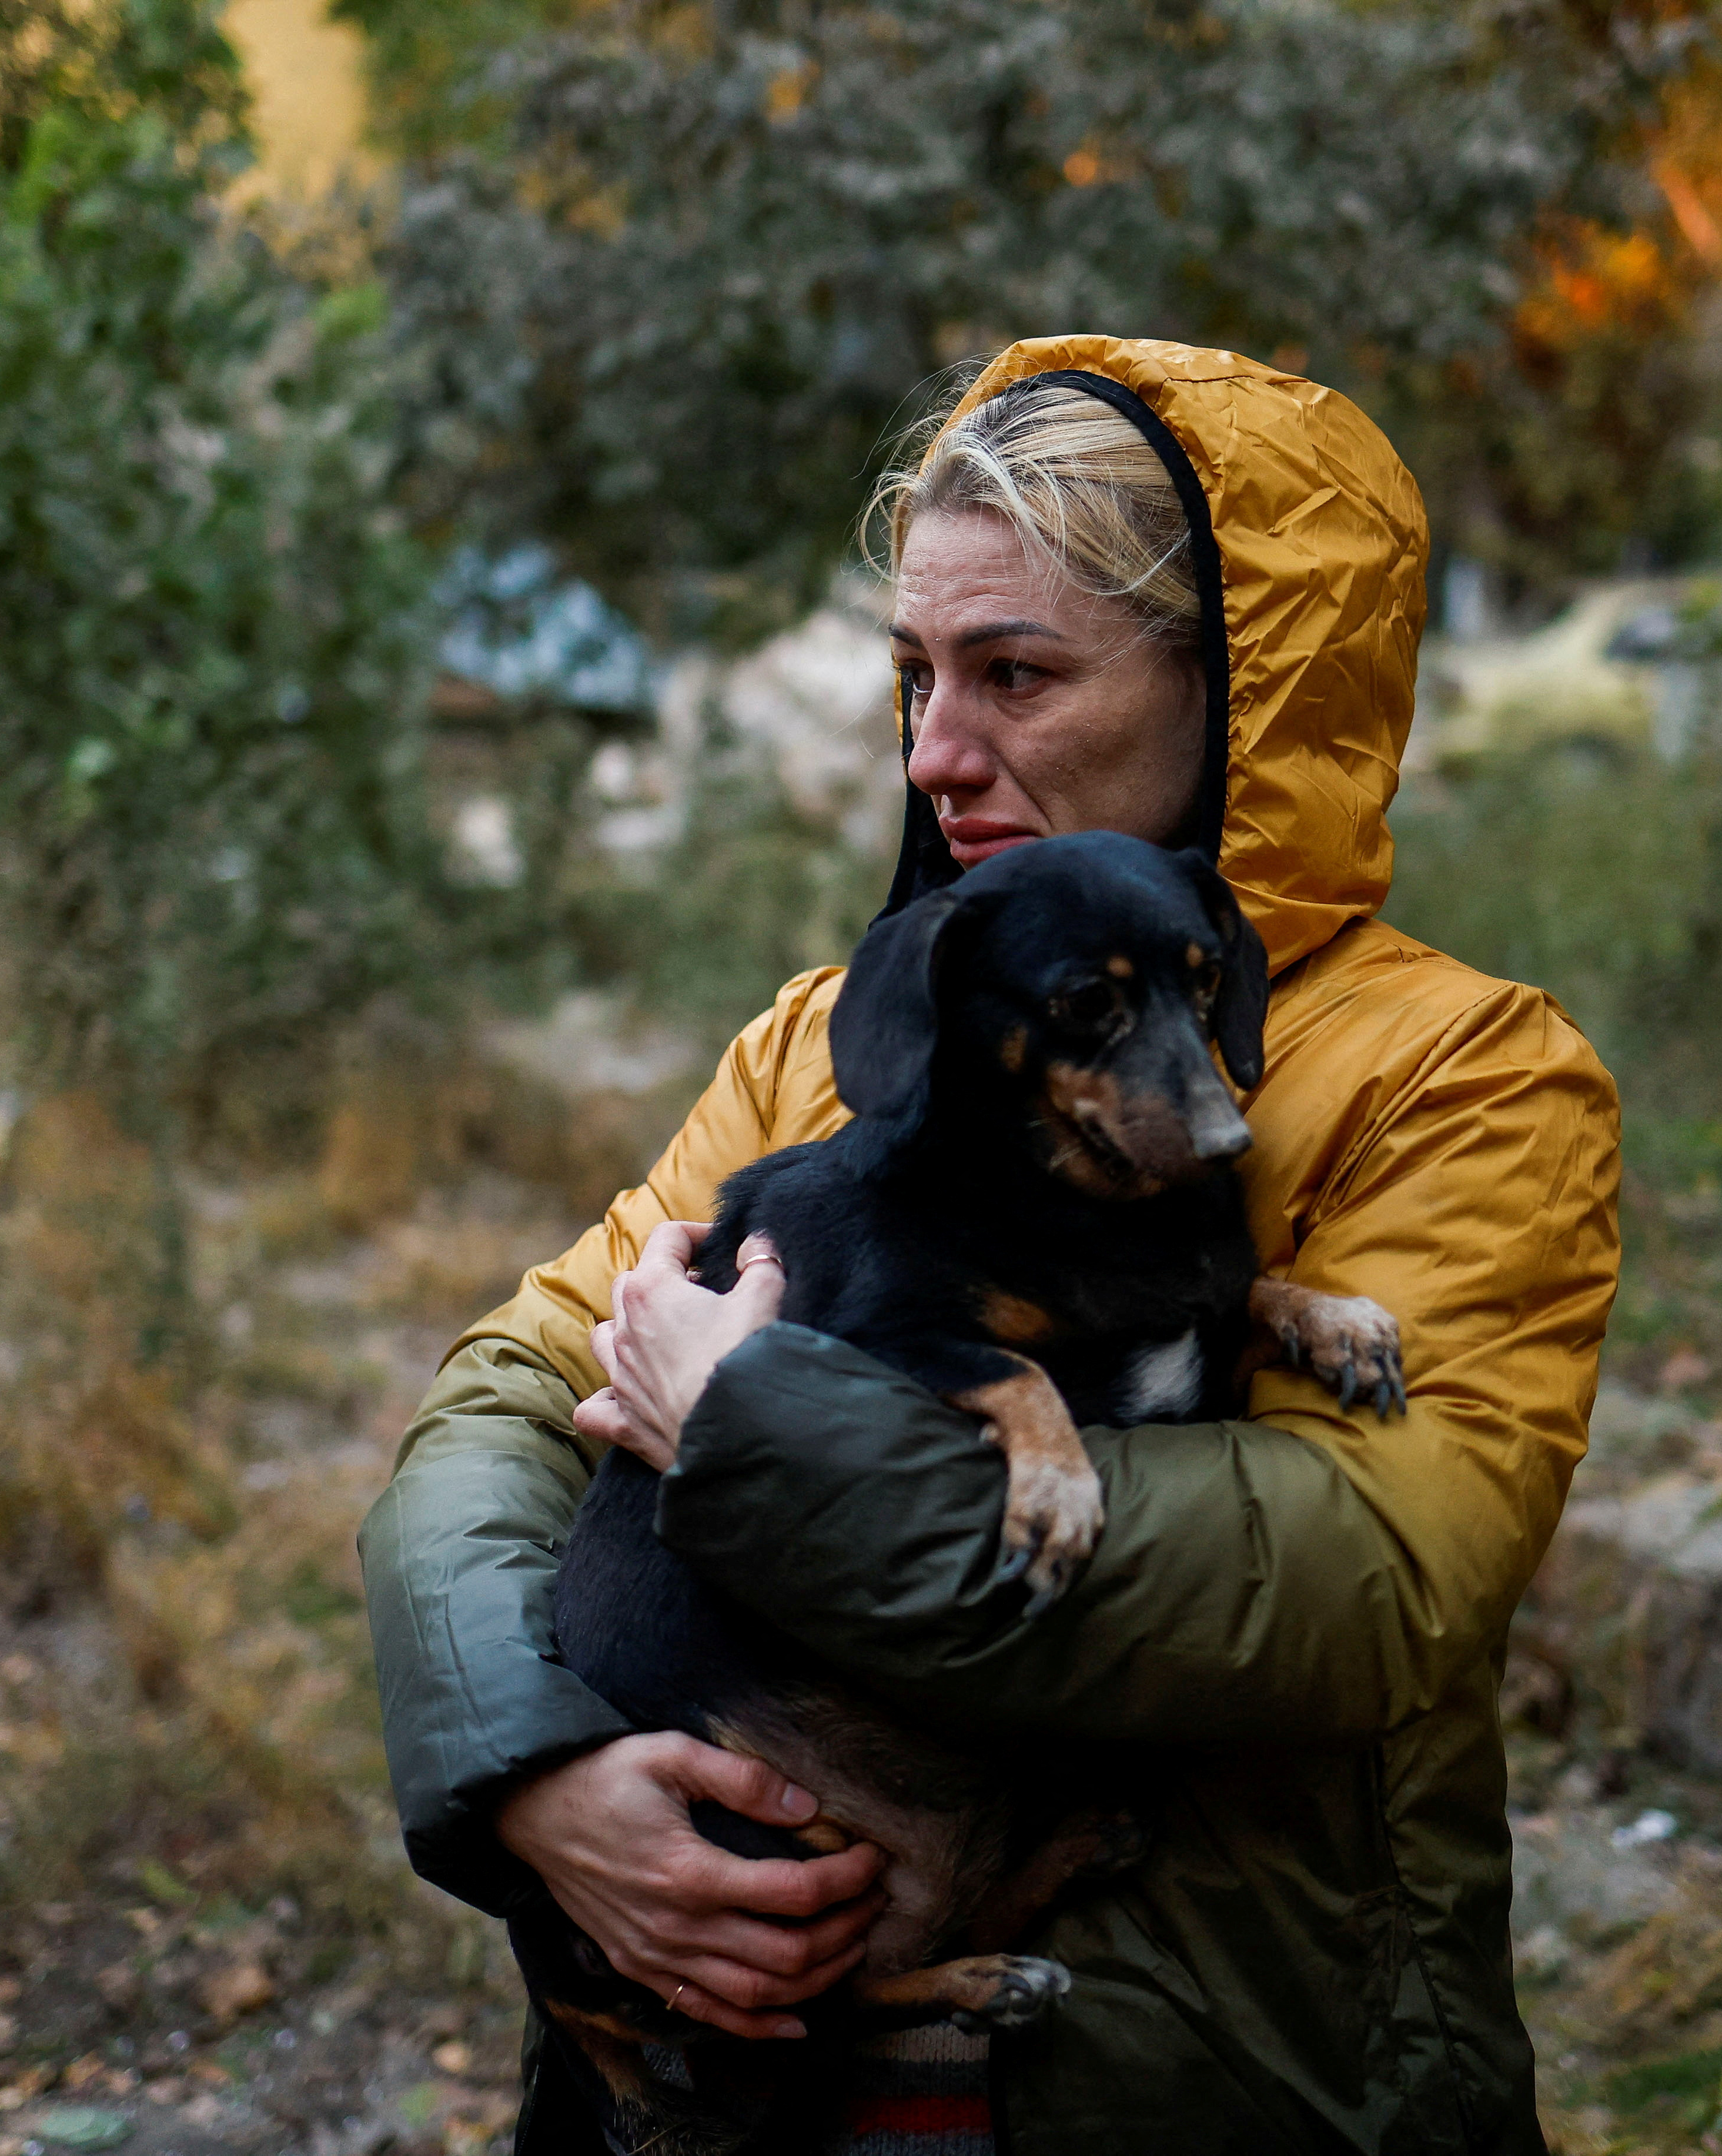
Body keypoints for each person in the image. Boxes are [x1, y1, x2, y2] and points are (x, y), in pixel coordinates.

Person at [360, 335, 1621, 2155]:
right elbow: (501, 1399)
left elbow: (1360, 1576)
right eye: (915, 675)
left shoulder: (1462, 1078)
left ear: (1235, 687)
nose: (934, 754)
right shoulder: (836, 1037)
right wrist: (533, 1769)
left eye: (1014, 673)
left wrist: (764, 1425)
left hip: (1201, 2086)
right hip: (733, 2077)